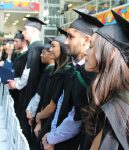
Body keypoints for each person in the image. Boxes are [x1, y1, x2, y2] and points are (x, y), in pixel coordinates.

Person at [79, 10, 129, 150]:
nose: (85, 51)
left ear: (111, 54)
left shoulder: (116, 108)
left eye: (92, 46)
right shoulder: (127, 96)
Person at [42, 10, 103, 150]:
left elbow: (76, 119)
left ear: (86, 40)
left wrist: (52, 137)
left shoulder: (91, 78)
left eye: (71, 37)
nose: (66, 41)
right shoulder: (72, 70)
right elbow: (61, 104)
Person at [8, 17, 46, 147]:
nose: (23, 32)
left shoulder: (35, 47)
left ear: (34, 30)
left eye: (25, 29)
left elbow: (28, 72)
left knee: (26, 130)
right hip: (32, 92)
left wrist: (17, 84)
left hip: (30, 93)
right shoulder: (37, 47)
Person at [9, 31, 28, 114]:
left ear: (23, 42)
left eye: (16, 41)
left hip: (21, 90)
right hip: (14, 87)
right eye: (14, 41)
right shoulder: (18, 54)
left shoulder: (26, 56)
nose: (14, 43)